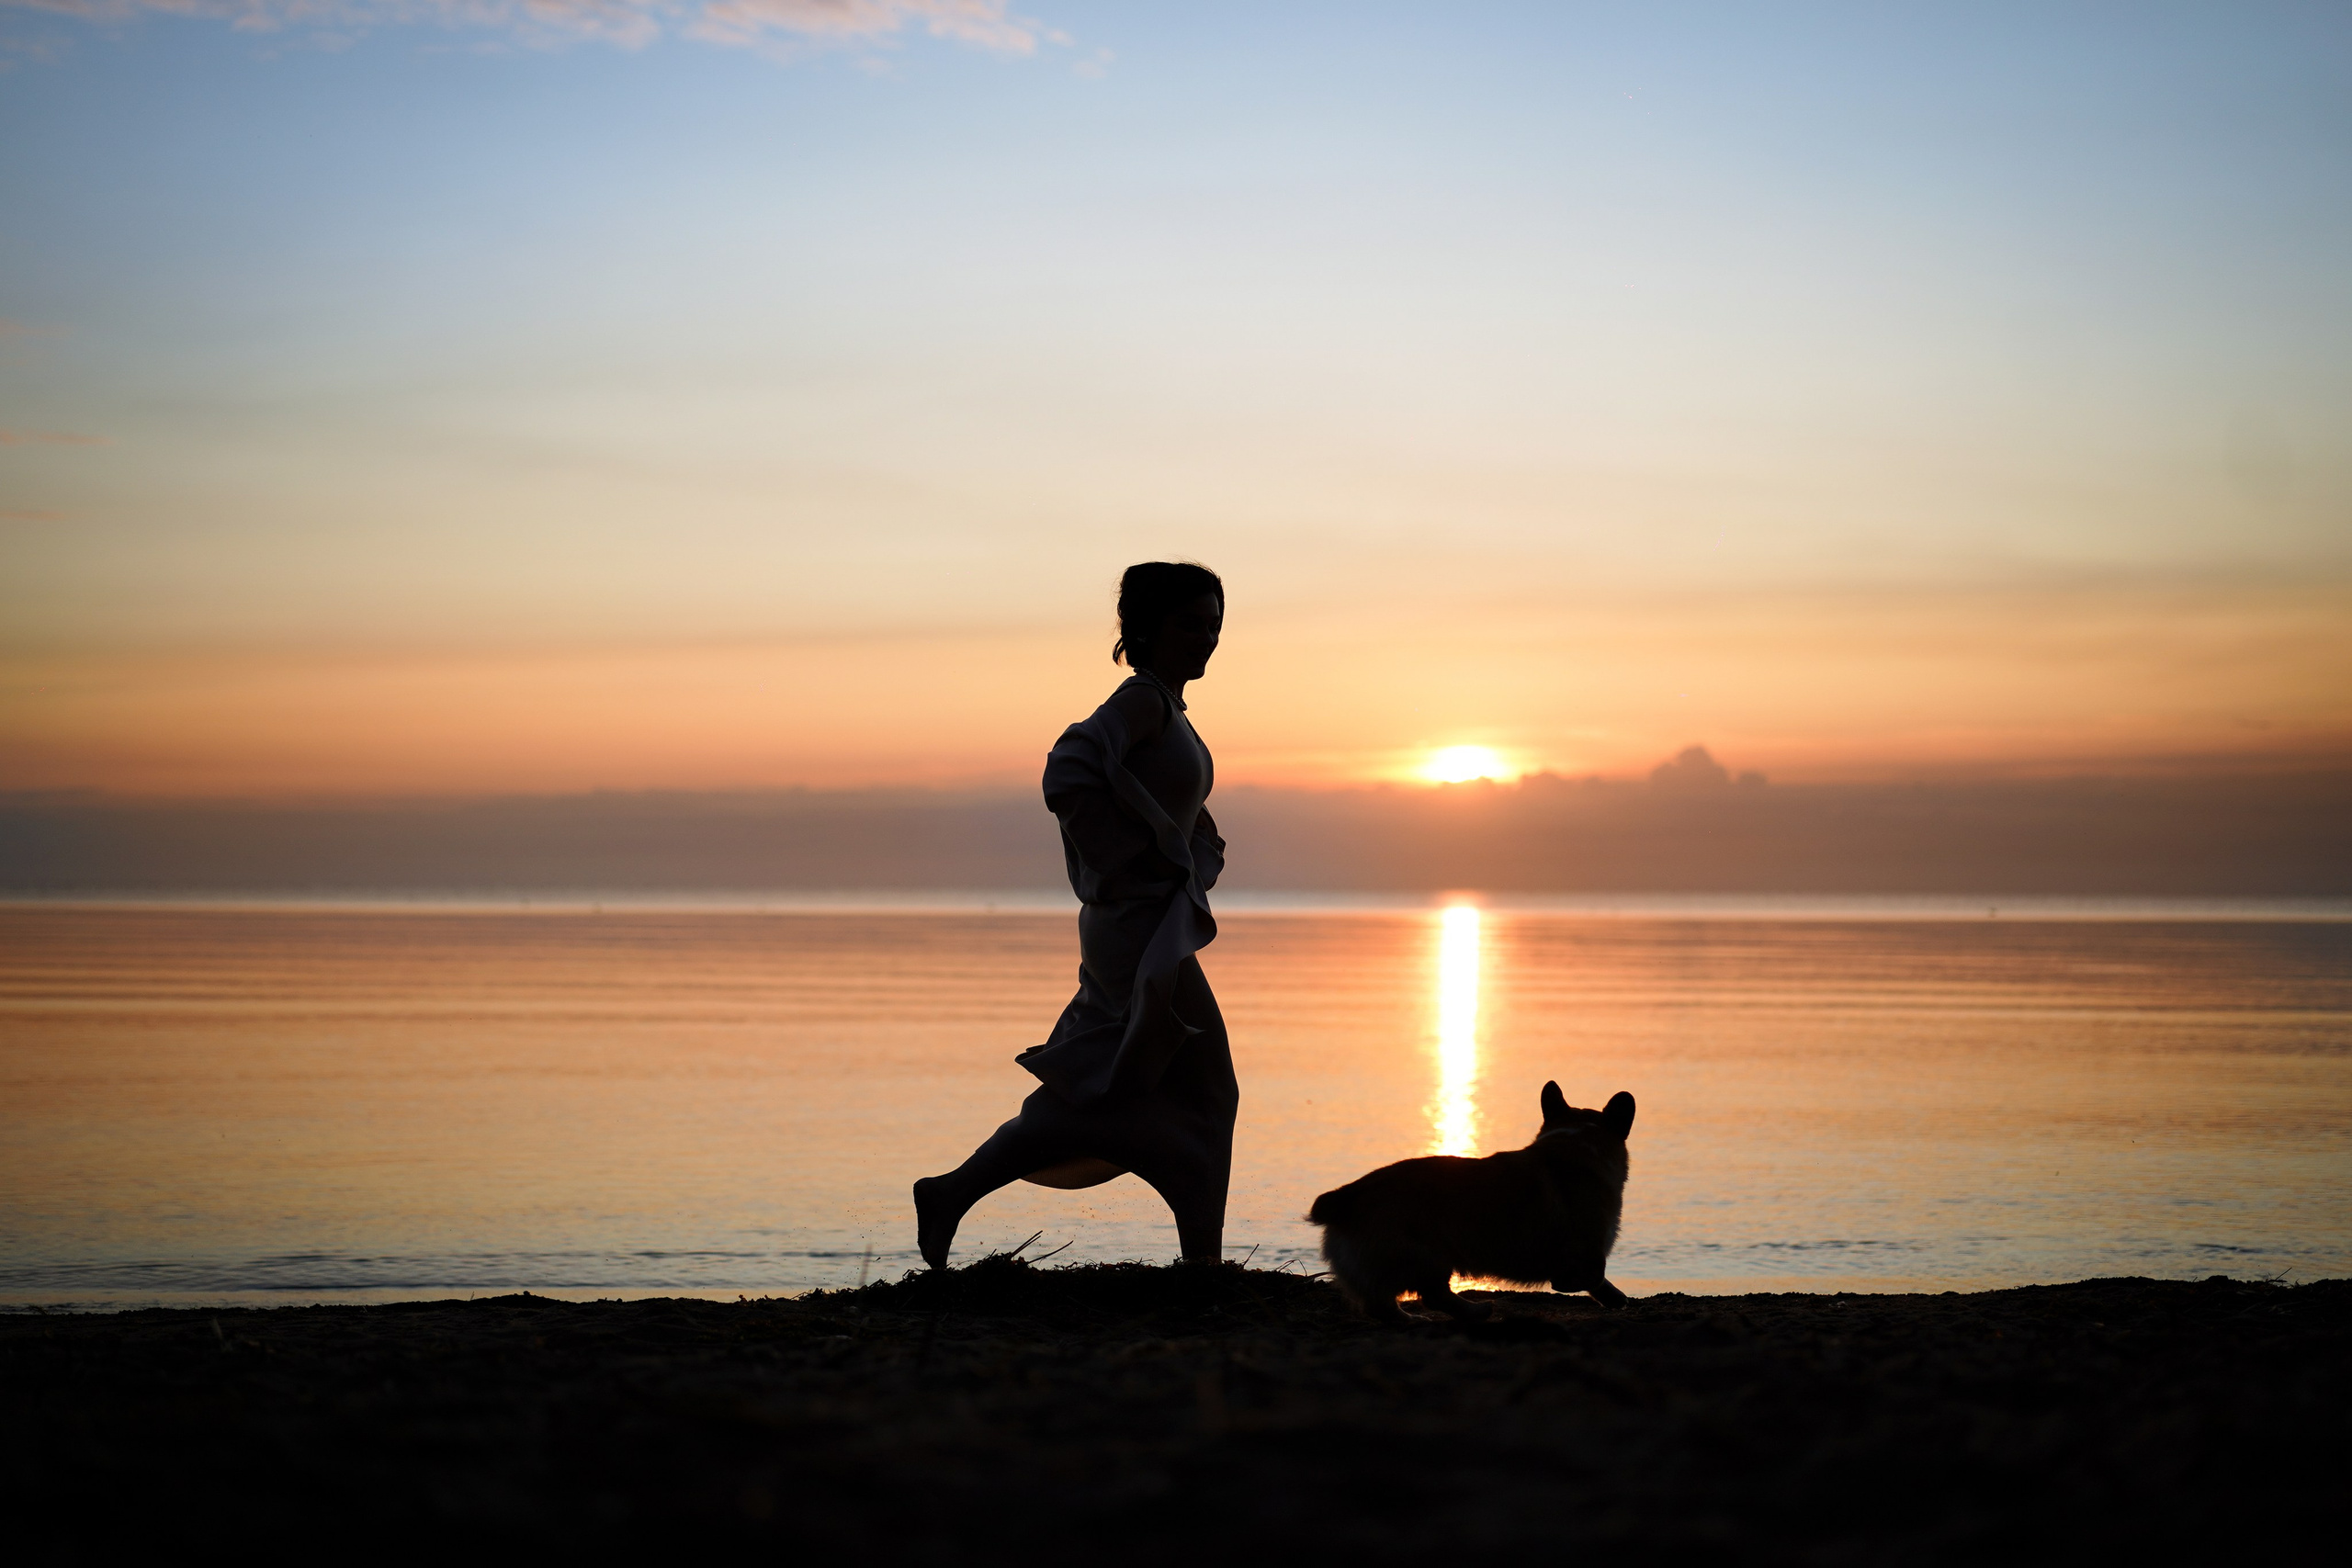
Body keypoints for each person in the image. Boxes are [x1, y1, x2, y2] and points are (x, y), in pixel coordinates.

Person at [914, 561, 1235, 1267]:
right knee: (1204, 1088)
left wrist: (1185, 845)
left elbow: (1157, 798)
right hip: (1139, 927)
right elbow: (1071, 766)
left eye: (1215, 625)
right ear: (1145, 630)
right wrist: (1124, 864)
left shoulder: (1170, 710)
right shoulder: (1142, 701)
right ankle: (1204, 1267)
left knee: (1136, 1084)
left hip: (1150, 921)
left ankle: (950, 1191)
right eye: (1191, 624)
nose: (1207, 638)